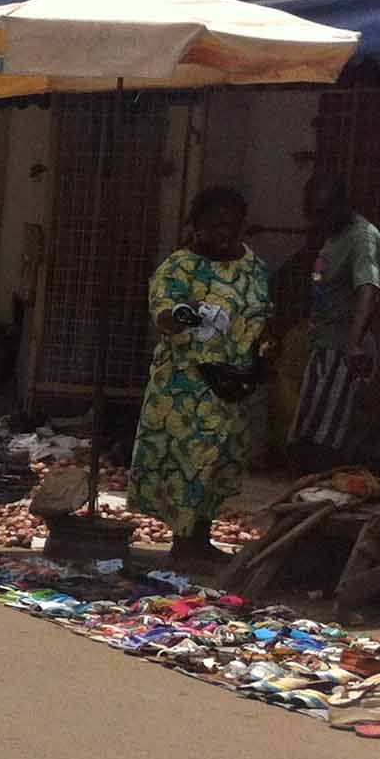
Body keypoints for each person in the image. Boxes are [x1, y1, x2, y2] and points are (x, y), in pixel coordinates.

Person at [130, 185, 274, 567]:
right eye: (214, 225)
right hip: (187, 387)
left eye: (231, 225)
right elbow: (162, 312)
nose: (223, 233)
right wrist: (189, 312)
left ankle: (202, 538)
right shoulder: (179, 267)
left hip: (233, 384)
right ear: (197, 226)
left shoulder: (253, 266)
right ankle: (184, 544)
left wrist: (260, 357)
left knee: (221, 463)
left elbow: (263, 314)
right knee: (188, 463)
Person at [290, 175, 380, 468]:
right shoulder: (335, 235)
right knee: (306, 434)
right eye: (313, 213)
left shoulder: (362, 238)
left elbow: (368, 290)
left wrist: (354, 343)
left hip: (341, 351)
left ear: (342, 206)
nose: (318, 220)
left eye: (324, 212)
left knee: (325, 441)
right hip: (323, 345)